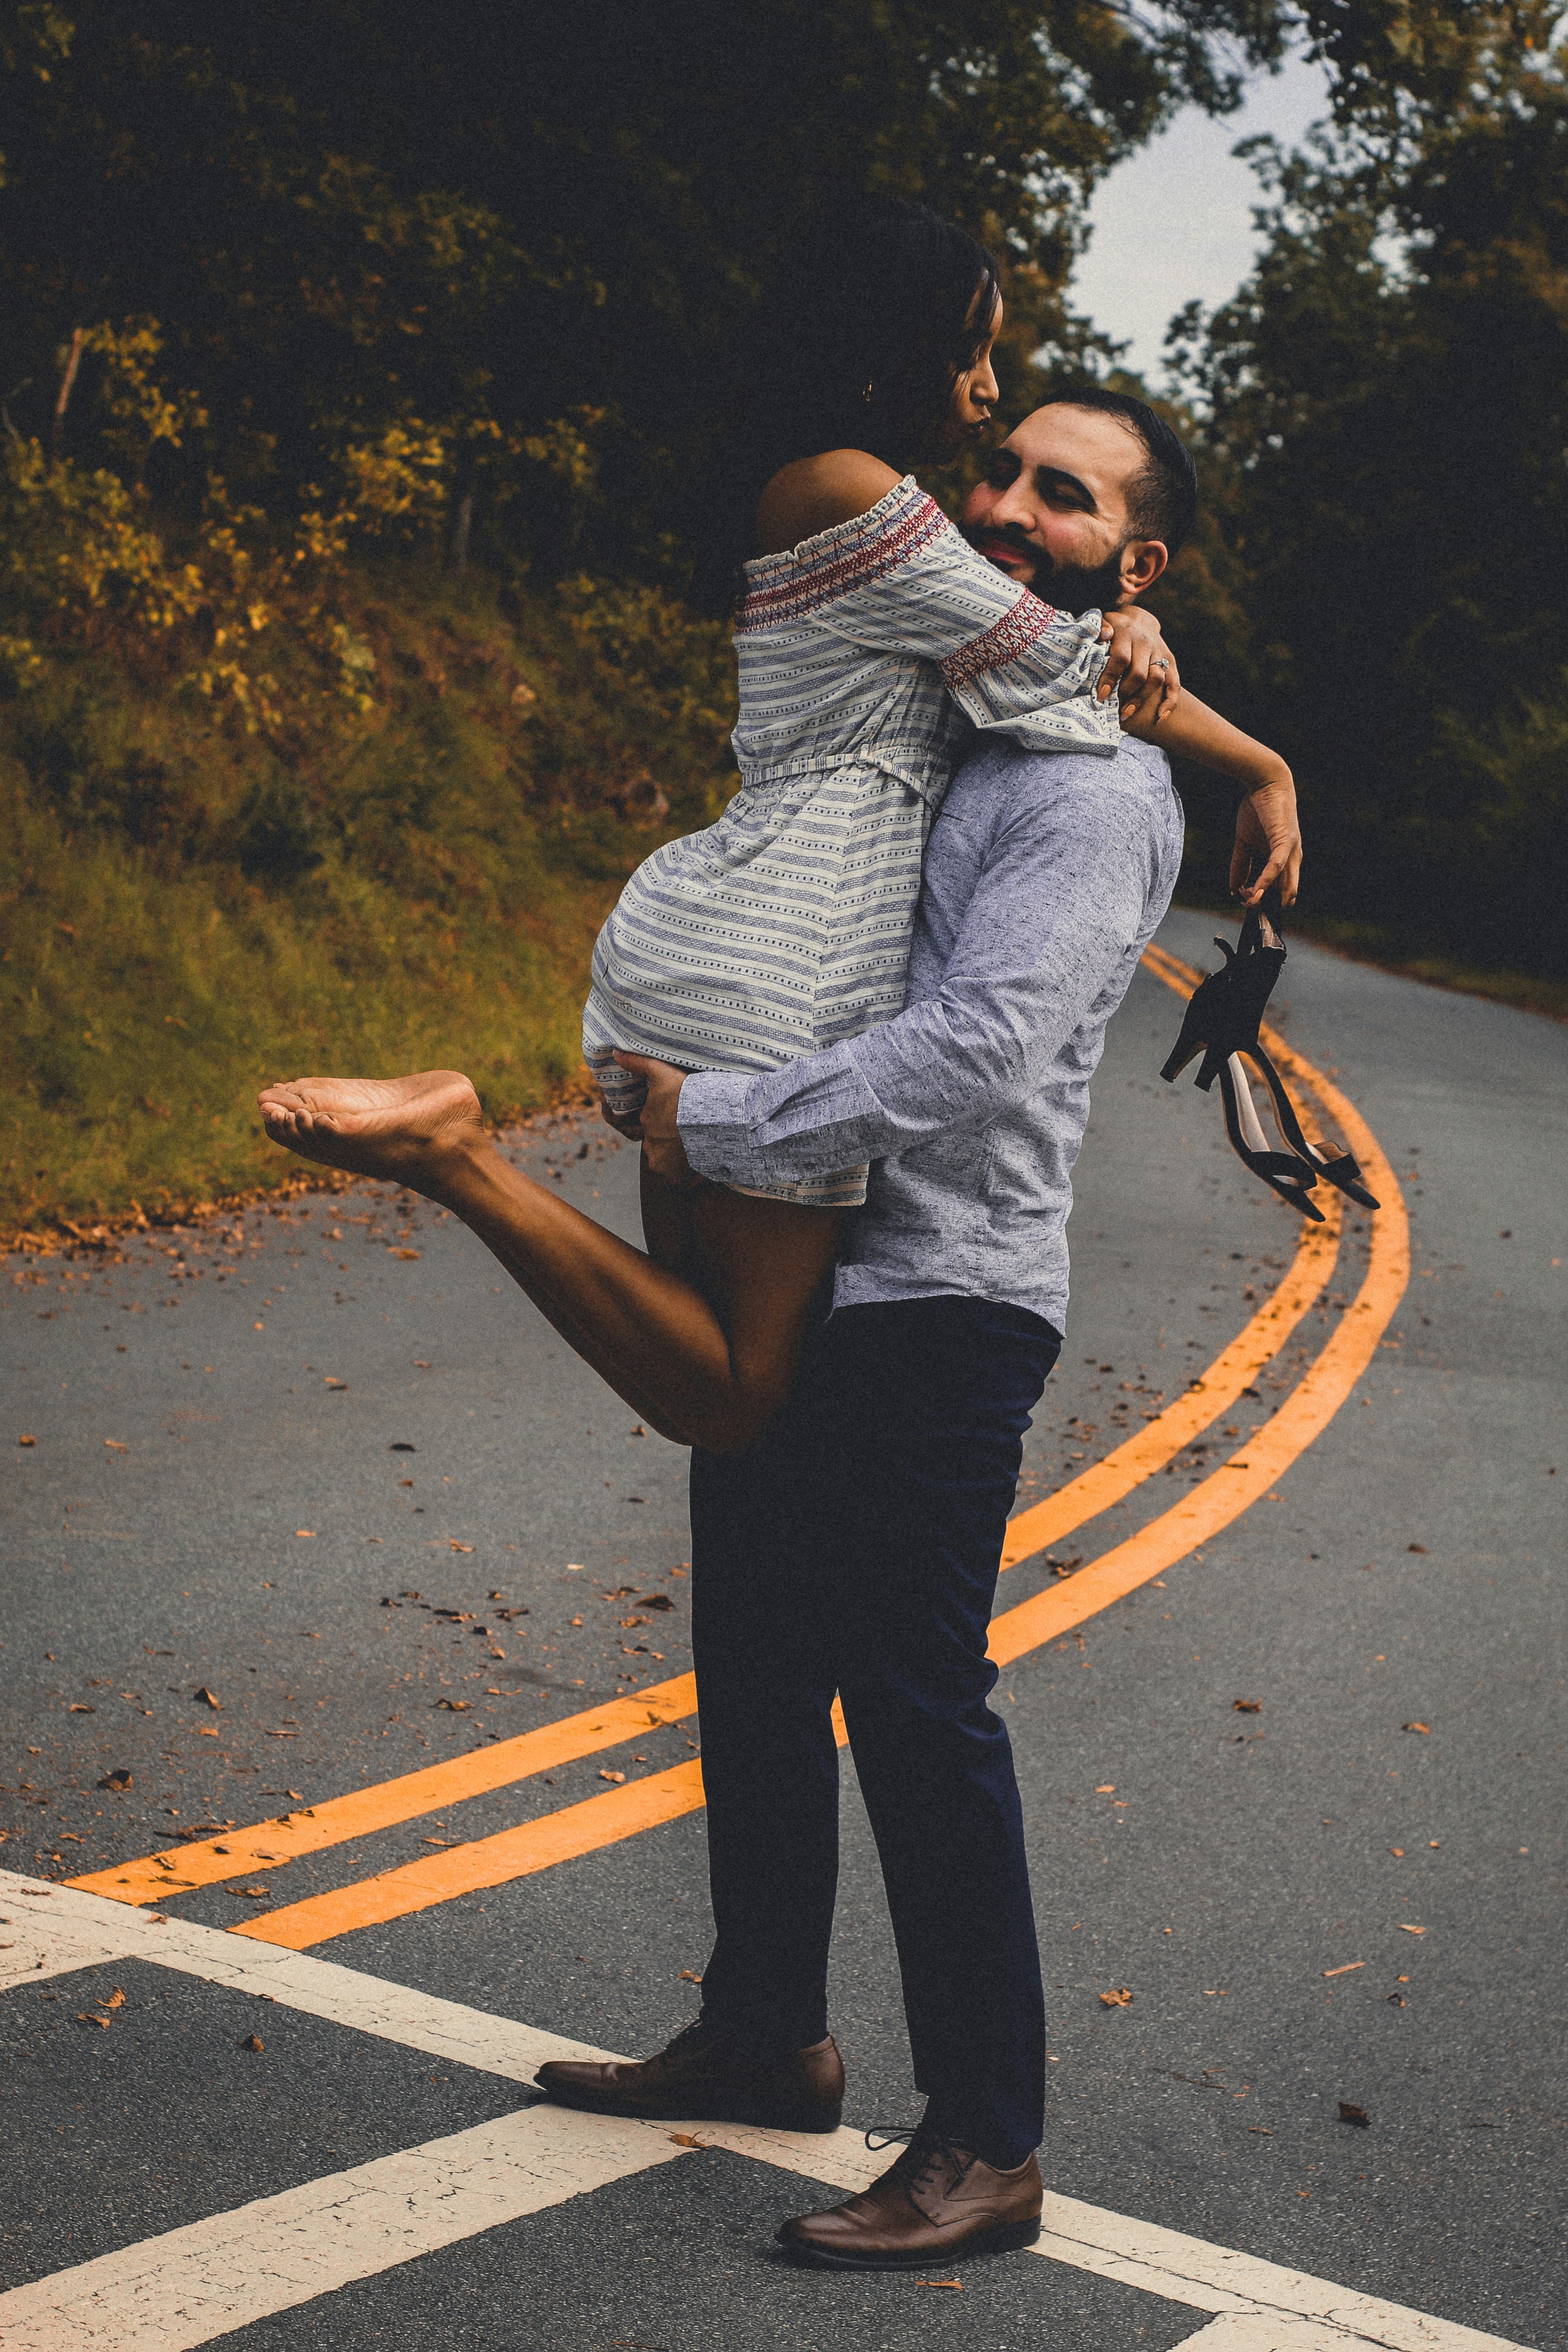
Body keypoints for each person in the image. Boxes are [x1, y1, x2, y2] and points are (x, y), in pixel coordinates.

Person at [258, 202, 1297, 1466]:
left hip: (717, 928)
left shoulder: (818, 493)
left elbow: (1067, 663)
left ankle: (456, 1150)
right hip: (783, 965)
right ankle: (457, 1151)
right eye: (975, 351)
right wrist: (1256, 759)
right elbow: (1068, 674)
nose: (983, 390)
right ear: (895, 343)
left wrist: (1142, 652)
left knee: (696, 1362)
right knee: (738, 1393)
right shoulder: (860, 496)